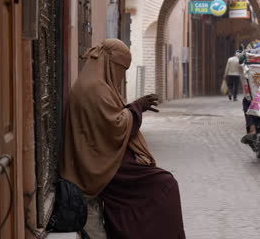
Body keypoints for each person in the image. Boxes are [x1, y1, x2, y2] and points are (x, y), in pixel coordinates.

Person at [61, 39, 185, 238]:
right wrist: (137, 107)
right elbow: (115, 126)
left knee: (160, 183)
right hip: (100, 166)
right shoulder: (93, 88)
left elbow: (111, 123)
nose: (121, 74)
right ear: (109, 63)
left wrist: (134, 108)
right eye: (120, 68)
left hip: (109, 157)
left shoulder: (98, 85)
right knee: (165, 184)